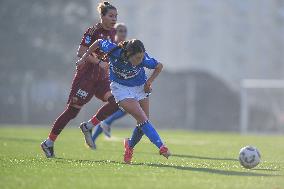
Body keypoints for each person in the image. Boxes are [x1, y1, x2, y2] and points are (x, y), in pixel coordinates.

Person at [40, 1, 119, 158]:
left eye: (116, 16)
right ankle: (48, 142)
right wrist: (99, 62)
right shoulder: (93, 31)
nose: (114, 19)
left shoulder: (112, 33)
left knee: (116, 102)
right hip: (86, 79)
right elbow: (81, 51)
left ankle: (89, 126)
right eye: (111, 16)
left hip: (101, 79)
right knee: (72, 112)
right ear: (102, 16)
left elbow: (109, 55)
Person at [77, 38, 171, 163]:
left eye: (142, 57)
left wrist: (149, 82)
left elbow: (159, 66)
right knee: (143, 119)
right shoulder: (113, 50)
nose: (140, 60)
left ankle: (129, 146)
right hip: (120, 89)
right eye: (137, 58)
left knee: (142, 124)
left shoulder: (144, 60)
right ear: (128, 54)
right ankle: (162, 147)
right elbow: (99, 42)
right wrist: (85, 57)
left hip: (140, 87)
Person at [91, 23, 128, 145]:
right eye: (120, 30)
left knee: (119, 108)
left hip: (120, 82)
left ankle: (93, 138)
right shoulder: (110, 46)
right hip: (109, 82)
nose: (122, 33)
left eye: (124, 31)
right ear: (114, 32)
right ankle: (105, 123)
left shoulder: (127, 48)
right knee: (122, 107)